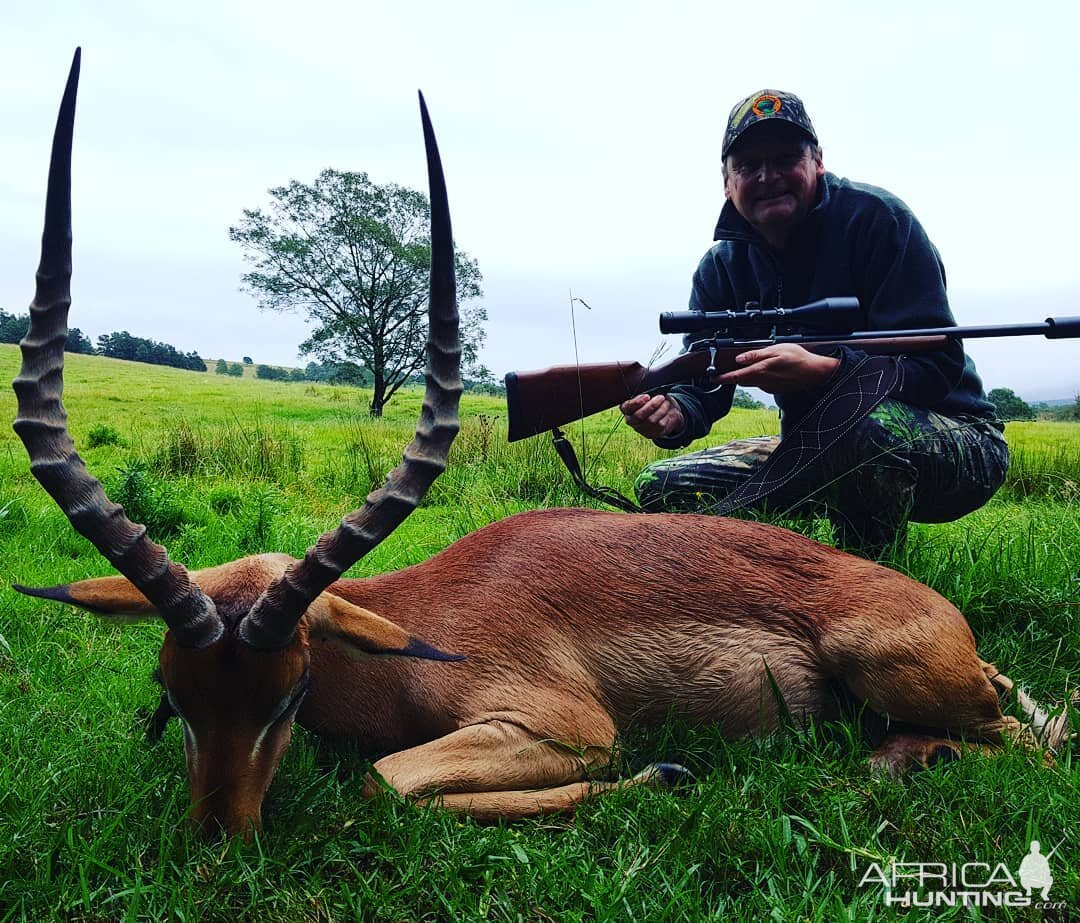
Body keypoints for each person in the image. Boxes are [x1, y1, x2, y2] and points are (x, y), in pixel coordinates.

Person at [620, 89, 1008, 557]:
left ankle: (871, 595)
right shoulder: (720, 268)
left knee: (865, 431)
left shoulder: (880, 220)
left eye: (786, 158)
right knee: (662, 488)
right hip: (811, 440)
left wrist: (825, 370)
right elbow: (703, 381)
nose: (768, 177)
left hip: (953, 436)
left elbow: (937, 367)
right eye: (748, 166)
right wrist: (675, 413)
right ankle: (776, 585)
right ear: (726, 181)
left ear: (817, 161)